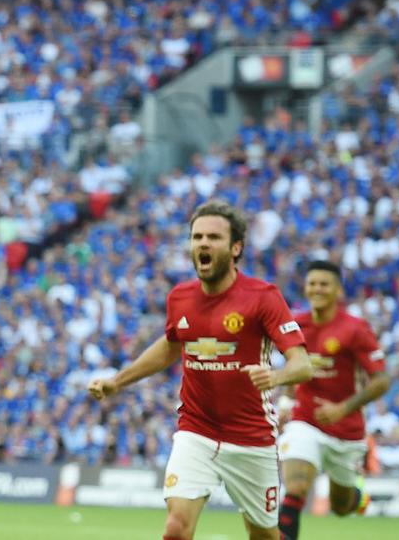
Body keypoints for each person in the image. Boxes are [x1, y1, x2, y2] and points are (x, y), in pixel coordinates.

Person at [88, 201, 312, 540]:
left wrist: (277, 376)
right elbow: (170, 346)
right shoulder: (180, 297)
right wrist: (117, 382)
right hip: (196, 431)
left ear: (236, 248)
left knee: (264, 536)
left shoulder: (263, 297)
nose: (203, 244)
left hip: (251, 437)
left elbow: (303, 363)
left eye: (213, 237)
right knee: (176, 528)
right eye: (197, 237)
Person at [277, 260, 389, 538]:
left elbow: (382, 380)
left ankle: (356, 496)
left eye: (324, 284)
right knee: (296, 488)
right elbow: (295, 367)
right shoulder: (295, 325)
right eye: (312, 283)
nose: (317, 289)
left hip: (346, 429)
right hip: (305, 420)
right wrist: (286, 403)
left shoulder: (355, 329)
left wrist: (344, 408)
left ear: (338, 290)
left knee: (341, 507)